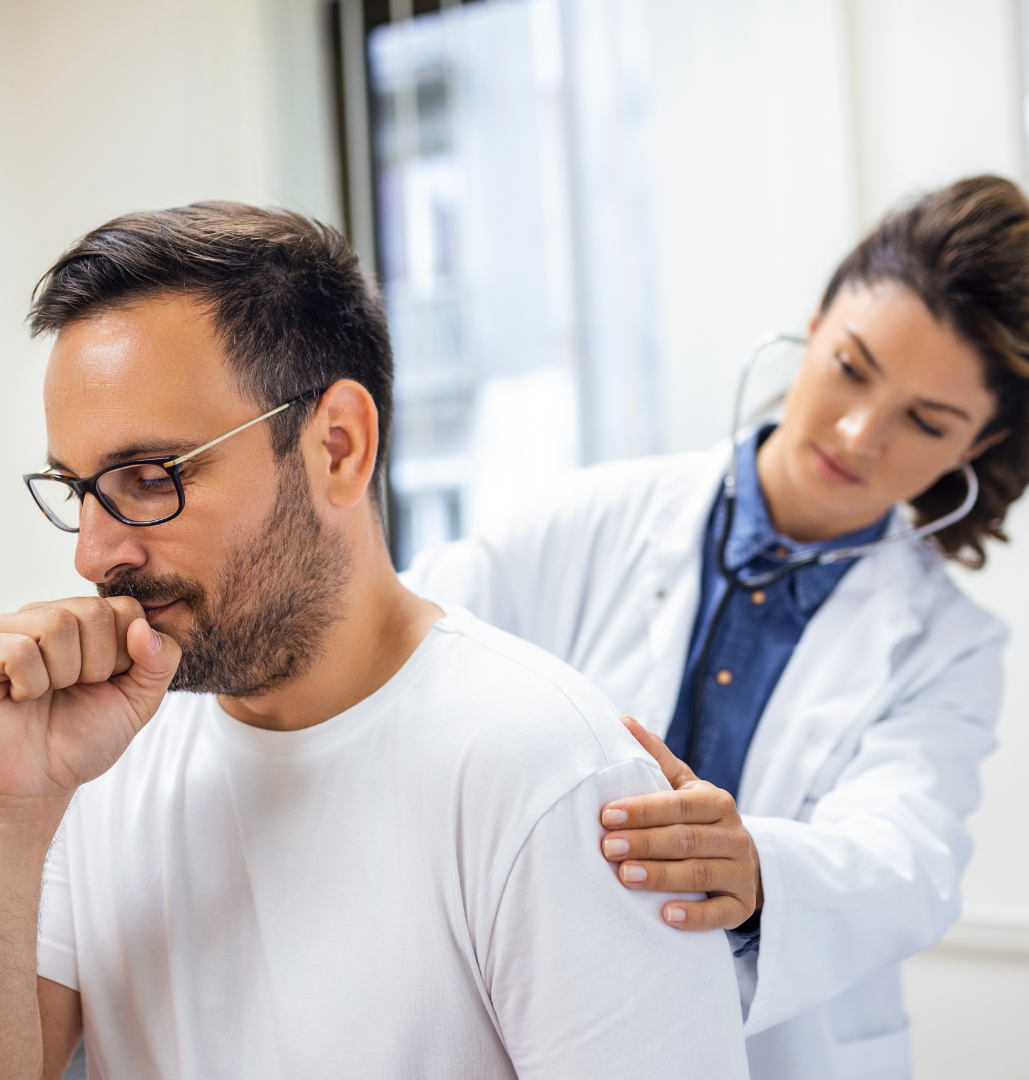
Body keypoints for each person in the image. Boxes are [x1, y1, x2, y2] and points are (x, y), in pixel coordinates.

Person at [0, 205, 749, 1080]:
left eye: (151, 479)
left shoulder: (548, 772)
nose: (94, 554)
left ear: (338, 447)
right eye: (79, 491)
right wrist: (0, 810)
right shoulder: (98, 756)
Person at [403, 174, 1029, 1080]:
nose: (858, 434)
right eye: (852, 367)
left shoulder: (947, 645)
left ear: (971, 448)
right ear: (814, 329)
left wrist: (759, 868)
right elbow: (407, 642)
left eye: (925, 422)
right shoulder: (591, 516)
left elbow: (910, 856)